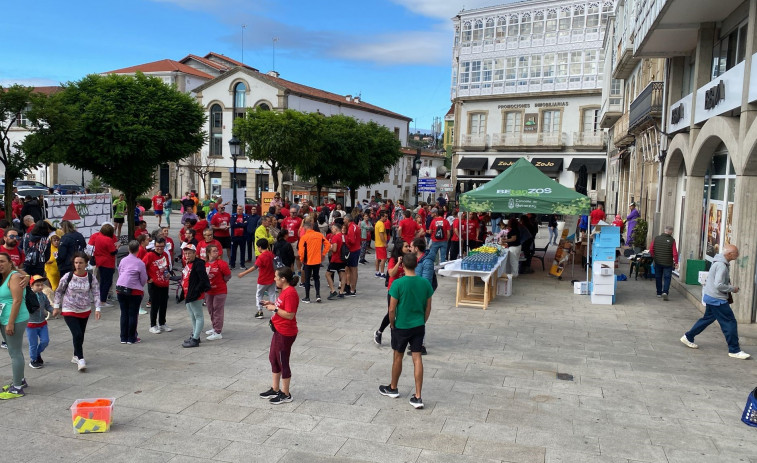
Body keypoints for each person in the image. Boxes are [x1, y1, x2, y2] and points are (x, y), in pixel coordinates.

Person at [378, 253, 433, 409]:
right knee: (417, 358)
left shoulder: (398, 284)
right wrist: (423, 321)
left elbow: (391, 308)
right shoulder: (425, 283)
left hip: (401, 325)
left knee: (398, 357)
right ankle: (418, 396)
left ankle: (393, 388)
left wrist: (392, 324)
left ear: (402, 265)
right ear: (416, 264)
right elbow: (428, 307)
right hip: (418, 325)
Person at [681, 245, 750, 359]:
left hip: (711, 296)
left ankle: (688, 336)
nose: (737, 255)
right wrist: (733, 288)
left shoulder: (717, 261)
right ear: (729, 254)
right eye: (736, 253)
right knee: (730, 323)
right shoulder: (722, 266)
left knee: (707, 319)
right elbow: (719, 285)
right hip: (717, 299)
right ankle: (734, 350)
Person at [53, 251, 101, 371]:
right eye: (76, 262)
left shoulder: (91, 277)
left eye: (80, 263)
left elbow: (96, 293)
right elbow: (59, 291)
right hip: (69, 308)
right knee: (77, 333)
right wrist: (56, 306)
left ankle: (75, 355)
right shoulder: (68, 276)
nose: (78, 265)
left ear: (86, 264)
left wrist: (98, 308)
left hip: (84, 309)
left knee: (81, 335)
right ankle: (80, 359)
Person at [259, 267, 299, 404]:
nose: (274, 279)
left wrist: (274, 309)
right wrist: (271, 304)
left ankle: (286, 394)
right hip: (278, 330)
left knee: (283, 361)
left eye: (276, 277)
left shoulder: (291, 293)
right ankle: (275, 389)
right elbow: (281, 306)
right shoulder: (284, 291)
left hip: (286, 332)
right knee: (273, 358)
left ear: (283, 279)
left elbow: (290, 314)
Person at [0, 252, 29, 398]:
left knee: (15, 352)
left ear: (10, 262)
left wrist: (10, 323)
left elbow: (17, 301)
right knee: (14, 351)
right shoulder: (4, 277)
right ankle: (20, 380)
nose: (0, 264)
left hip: (14, 319)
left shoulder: (14, 277)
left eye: (2, 261)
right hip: (5, 318)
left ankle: (17, 388)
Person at [374, 240, 411, 345]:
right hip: (393, 290)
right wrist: (399, 263)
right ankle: (380, 332)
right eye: (406, 246)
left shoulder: (408, 258)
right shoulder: (393, 260)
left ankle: (399, 335)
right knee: (392, 312)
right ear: (400, 248)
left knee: (401, 312)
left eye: (408, 246)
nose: (408, 248)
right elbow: (391, 273)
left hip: (404, 290)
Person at [115, 241, 148, 345]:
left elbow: (120, 272)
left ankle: (123, 337)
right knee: (133, 314)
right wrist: (139, 285)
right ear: (138, 249)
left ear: (128, 249)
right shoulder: (140, 263)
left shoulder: (123, 260)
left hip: (120, 287)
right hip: (134, 290)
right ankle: (131, 337)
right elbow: (143, 279)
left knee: (124, 313)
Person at [180, 244, 211, 348]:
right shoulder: (188, 263)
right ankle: (195, 335)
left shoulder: (198, 264)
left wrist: (196, 291)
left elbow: (203, 280)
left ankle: (195, 339)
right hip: (188, 294)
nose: (187, 255)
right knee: (192, 316)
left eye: (189, 253)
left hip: (194, 295)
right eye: (185, 253)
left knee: (198, 316)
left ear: (194, 253)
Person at [239, 239, 276, 318]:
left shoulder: (261, 257)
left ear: (259, 247)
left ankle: (260, 311)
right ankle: (274, 311)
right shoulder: (271, 254)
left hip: (263, 279)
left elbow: (254, 267)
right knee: (272, 294)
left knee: (259, 294)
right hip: (272, 278)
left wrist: (243, 273)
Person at [143, 237, 173, 334]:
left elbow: (166, 266)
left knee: (163, 304)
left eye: (162, 246)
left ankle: (162, 323)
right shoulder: (149, 255)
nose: (160, 248)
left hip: (164, 282)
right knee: (155, 305)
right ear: (154, 245)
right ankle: (153, 325)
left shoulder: (164, 254)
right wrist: (148, 279)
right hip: (154, 284)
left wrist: (168, 273)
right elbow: (142, 267)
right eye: (158, 246)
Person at [203, 244, 231, 340]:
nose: (216, 252)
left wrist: (223, 281)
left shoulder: (221, 263)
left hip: (220, 290)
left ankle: (218, 331)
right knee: (211, 309)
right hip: (209, 291)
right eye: (214, 251)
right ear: (208, 253)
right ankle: (214, 326)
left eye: (217, 250)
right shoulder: (205, 264)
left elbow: (227, 275)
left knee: (217, 310)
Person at [298, 219, 329, 304]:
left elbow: (301, 251)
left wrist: (301, 259)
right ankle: (318, 295)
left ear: (305, 228)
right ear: (312, 227)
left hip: (307, 261)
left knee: (307, 279)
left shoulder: (304, 237)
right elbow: (328, 244)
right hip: (317, 260)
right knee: (316, 278)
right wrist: (323, 254)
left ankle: (307, 297)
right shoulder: (319, 235)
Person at [89, 223, 118, 308]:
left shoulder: (97, 237)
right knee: (107, 282)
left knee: (102, 281)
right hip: (107, 262)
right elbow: (113, 252)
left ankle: (100, 299)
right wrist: (117, 247)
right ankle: (103, 301)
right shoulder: (108, 240)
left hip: (100, 261)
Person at [27, 275, 52, 369]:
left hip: (42, 323)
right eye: (37, 285)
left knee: (45, 341)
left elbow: (47, 306)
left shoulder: (43, 295)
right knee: (33, 344)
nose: (40, 287)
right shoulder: (28, 296)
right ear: (31, 286)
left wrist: (53, 310)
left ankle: (37, 354)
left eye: (42, 285)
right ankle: (33, 360)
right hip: (31, 324)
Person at [649, 226, 678, 300]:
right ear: (671, 232)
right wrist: (676, 262)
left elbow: (651, 249)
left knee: (658, 277)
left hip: (658, 261)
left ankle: (659, 292)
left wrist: (654, 256)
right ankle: (665, 292)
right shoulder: (672, 240)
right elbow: (675, 253)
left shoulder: (656, 238)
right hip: (668, 263)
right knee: (667, 277)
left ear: (665, 231)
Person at [325, 222, 348, 300]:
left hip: (336, 258)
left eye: (332, 228)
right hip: (343, 258)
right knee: (342, 274)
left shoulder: (335, 237)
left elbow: (334, 249)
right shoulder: (343, 236)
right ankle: (341, 292)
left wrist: (329, 248)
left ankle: (333, 290)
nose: (331, 230)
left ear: (336, 229)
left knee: (328, 274)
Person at [344, 215, 362, 296]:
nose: (343, 220)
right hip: (356, 249)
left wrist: (345, 240)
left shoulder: (351, 227)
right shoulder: (355, 226)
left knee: (353, 269)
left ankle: (352, 289)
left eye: (344, 219)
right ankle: (352, 287)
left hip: (353, 250)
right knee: (353, 269)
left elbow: (352, 240)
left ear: (347, 220)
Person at [230, 205, 249, 270]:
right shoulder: (233, 216)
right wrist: (241, 224)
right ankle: (232, 265)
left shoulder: (246, 216)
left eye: (240, 209)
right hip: (234, 237)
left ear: (242, 210)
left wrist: (237, 223)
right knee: (233, 251)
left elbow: (246, 225)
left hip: (242, 237)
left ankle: (242, 265)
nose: (239, 210)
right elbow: (232, 224)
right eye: (238, 209)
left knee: (243, 251)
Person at [374, 210, 388, 278]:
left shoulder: (377, 223)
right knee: (383, 259)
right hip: (381, 244)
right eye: (385, 216)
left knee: (378, 258)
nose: (386, 218)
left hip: (377, 243)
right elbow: (381, 234)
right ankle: (382, 273)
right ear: (382, 216)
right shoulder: (382, 224)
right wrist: (385, 243)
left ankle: (377, 272)